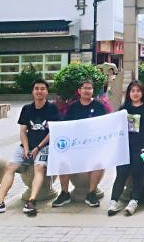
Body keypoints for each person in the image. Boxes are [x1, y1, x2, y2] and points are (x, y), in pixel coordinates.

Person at [0, 78, 60, 216]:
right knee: (10, 167)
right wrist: (26, 149)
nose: (39, 91)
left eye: (42, 89)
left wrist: (37, 148)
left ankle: (31, 201)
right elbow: (23, 131)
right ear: (32, 91)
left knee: (39, 167)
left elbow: (53, 132)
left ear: (47, 92)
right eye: (36, 89)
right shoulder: (27, 109)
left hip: (44, 146)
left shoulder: (52, 108)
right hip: (27, 145)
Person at [51, 79, 107, 208]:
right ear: (79, 91)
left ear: (93, 91)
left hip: (93, 145)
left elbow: (104, 126)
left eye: (90, 88)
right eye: (85, 88)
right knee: (62, 161)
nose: (87, 91)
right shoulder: (73, 107)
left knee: (99, 162)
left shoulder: (99, 106)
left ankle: (91, 193)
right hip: (76, 146)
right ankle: (64, 193)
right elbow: (66, 126)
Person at [108, 81, 144, 216]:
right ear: (128, 93)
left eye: (138, 90)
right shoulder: (123, 109)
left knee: (138, 174)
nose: (135, 93)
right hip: (124, 148)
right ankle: (113, 201)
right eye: (132, 91)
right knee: (121, 175)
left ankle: (134, 201)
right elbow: (116, 128)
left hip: (141, 148)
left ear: (142, 93)